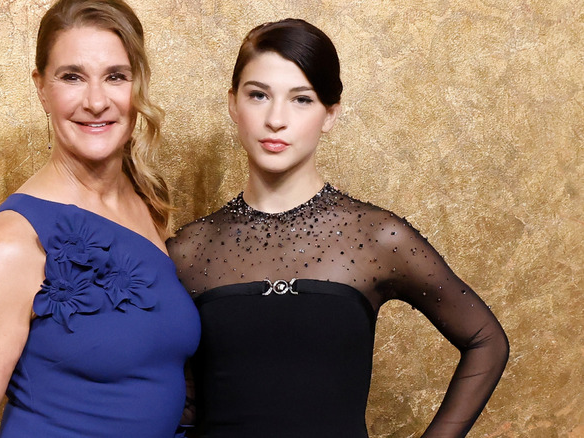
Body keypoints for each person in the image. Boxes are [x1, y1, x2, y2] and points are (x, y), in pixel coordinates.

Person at [167, 18, 509, 438]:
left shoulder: (376, 237)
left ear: (330, 114)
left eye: (301, 99)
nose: (276, 119)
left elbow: (486, 341)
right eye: (258, 95)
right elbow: (175, 398)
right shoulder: (188, 250)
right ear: (233, 105)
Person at [0, 1, 200, 436]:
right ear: (41, 88)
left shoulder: (147, 204)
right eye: (72, 77)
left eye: (115, 76)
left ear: (138, 86)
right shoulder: (13, 240)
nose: (96, 101)